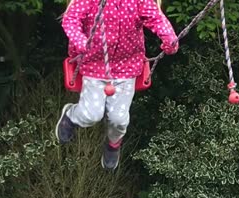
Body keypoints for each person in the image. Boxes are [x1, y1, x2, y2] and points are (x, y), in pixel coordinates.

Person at [56, 0, 178, 170]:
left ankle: (113, 144)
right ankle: (71, 116)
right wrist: (81, 42)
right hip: (94, 66)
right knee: (90, 115)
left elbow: (156, 18)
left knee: (119, 120)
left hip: (126, 67)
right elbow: (71, 19)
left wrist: (169, 38)